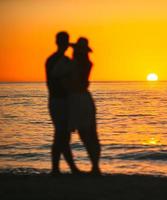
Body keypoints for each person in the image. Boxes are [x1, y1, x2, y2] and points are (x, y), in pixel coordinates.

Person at [51, 37, 101, 174]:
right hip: (85, 98)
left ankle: (94, 168)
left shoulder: (72, 64)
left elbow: (56, 73)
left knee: (85, 134)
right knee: (91, 134)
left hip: (76, 100)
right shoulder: (87, 63)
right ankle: (95, 167)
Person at [45, 31, 80, 175]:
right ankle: (57, 169)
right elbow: (54, 82)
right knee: (60, 134)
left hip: (63, 100)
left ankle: (68, 168)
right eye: (64, 41)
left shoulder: (63, 59)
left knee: (63, 135)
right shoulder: (54, 60)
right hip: (58, 100)